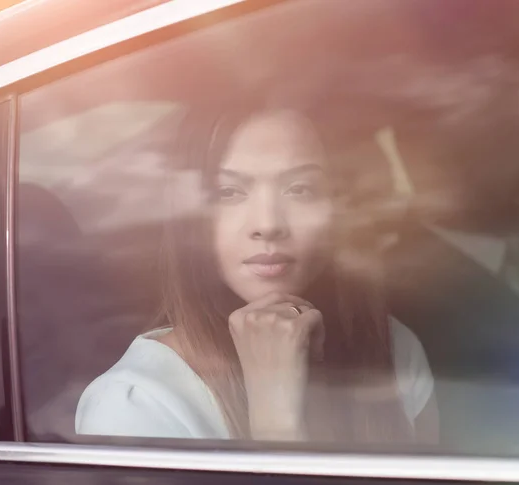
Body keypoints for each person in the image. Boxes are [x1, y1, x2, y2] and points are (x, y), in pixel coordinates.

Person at [75, 94, 438, 444]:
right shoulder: (137, 405)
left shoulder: (391, 347)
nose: (267, 224)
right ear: (190, 216)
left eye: (300, 189)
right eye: (229, 192)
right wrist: (276, 423)